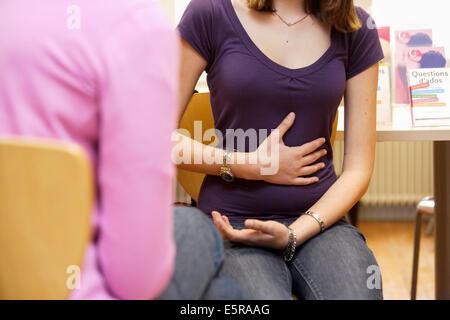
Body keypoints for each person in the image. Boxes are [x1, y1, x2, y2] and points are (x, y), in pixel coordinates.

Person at [0, 0, 242, 300]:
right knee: (212, 266)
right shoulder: (132, 23)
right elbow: (135, 281)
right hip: (73, 288)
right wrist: (249, 164)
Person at [176, 0, 384, 299]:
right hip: (232, 225)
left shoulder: (355, 26)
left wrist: (295, 234)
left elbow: (359, 167)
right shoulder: (209, 12)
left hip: (320, 223)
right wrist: (251, 165)